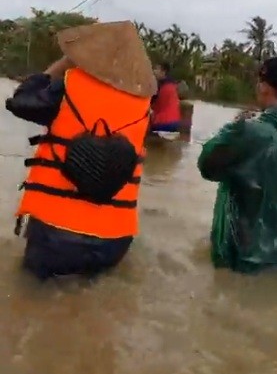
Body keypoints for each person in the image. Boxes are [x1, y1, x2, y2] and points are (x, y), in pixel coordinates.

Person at [5, 21, 156, 280]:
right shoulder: (144, 106)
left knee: (34, 302)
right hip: (115, 239)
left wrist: (63, 64)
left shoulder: (69, 86)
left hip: (56, 234)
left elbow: (20, 101)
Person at [198, 56, 277, 274]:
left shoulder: (250, 133)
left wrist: (234, 128)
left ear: (264, 88)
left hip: (251, 264)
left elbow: (207, 165)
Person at [150, 62, 181, 133]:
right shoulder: (172, 85)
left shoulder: (162, 87)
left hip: (163, 122)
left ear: (163, 72)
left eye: (156, 69)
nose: (154, 71)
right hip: (175, 121)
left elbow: (154, 104)